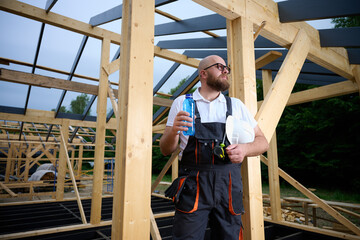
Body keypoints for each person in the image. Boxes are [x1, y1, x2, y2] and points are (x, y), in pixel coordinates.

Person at [160, 55, 269, 240]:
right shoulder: (182, 103)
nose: (226, 71)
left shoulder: (235, 105)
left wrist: (244, 150)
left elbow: (263, 142)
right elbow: (165, 149)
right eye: (220, 67)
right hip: (193, 186)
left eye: (227, 68)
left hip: (228, 185)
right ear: (203, 73)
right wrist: (173, 132)